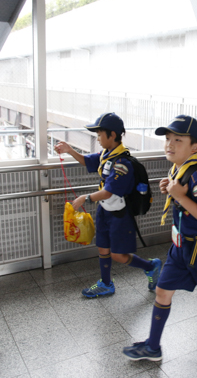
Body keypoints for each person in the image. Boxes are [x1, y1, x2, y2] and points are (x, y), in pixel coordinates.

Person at [123, 115, 197, 361]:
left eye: (178, 139)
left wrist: (179, 196)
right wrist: (173, 188)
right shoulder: (179, 170)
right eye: (167, 139)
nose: (170, 144)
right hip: (181, 248)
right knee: (162, 292)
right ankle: (153, 347)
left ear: (195, 147)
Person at [55, 112, 162, 297]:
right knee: (103, 248)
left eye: (99, 134)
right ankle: (106, 284)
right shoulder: (107, 154)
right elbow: (87, 161)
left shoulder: (122, 164)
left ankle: (151, 266)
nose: (97, 139)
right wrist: (69, 150)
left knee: (118, 255)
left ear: (112, 135)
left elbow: (108, 191)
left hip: (119, 214)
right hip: (104, 209)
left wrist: (85, 198)